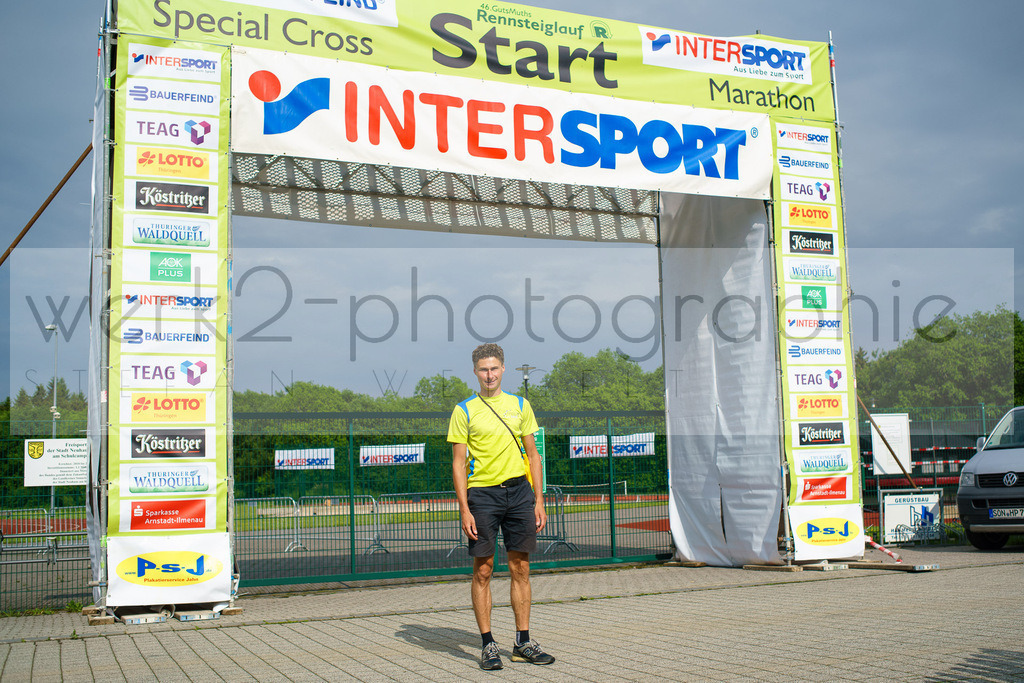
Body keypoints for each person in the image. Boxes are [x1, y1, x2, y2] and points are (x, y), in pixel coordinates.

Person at [448, 343, 555, 670]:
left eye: (494, 368)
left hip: (520, 493)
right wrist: (464, 509)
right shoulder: (463, 410)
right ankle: (488, 643)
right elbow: (458, 463)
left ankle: (523, 642)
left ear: (503, 369)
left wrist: (539, 499)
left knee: (520, 568)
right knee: (483, 569)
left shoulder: (521, 405)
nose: (490, 374)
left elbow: (533, 455)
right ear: (475, 372)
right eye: (484, 369)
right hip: (482, 496)